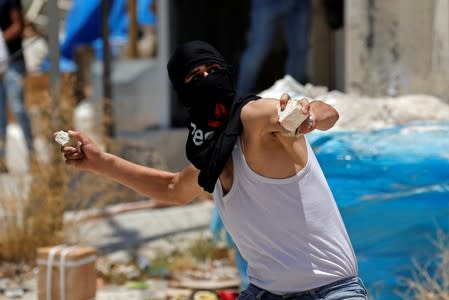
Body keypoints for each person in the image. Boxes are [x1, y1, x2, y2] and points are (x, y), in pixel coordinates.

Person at [58, 40, 368, 299]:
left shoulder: (255, 117)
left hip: (331, 292)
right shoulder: (213, 154)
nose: (209, 78)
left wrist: (308, 116)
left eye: (215, 70)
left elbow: (320, 112)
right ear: (183, 91)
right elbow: (172, 189)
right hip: (265, 293)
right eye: (196, 76)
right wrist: (100, 162)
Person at [237, 0, 312, 95]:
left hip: (299, 2)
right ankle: (239, 98)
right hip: (268, 2)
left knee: (300, 49)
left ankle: (294, 98)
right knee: (257, 50)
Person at [0, 0, 34, 172]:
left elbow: (17, 26)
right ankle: (1, 159)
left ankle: (32, 154)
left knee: (18, 109)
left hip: (13, 61)